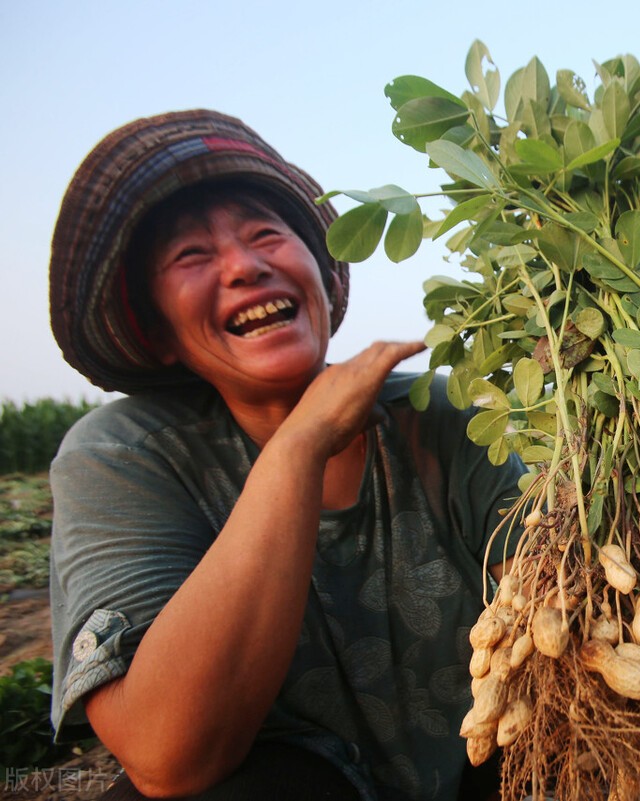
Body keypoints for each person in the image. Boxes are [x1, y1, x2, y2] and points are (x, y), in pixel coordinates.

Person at [47, 110, 526, 801]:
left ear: (324, 279)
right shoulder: (124, 454)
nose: (244, 265)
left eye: (265, 233)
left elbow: (561, 606)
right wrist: (300, 444)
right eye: (192, 255)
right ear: (156, 333)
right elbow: (166, 755)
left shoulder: (440, 414)